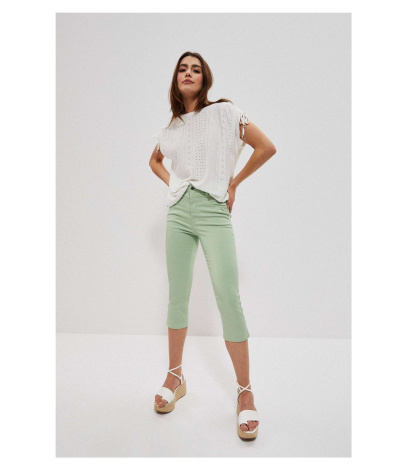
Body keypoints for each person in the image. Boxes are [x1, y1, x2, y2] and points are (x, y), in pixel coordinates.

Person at [148, 52, 276, 440]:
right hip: (178, 213)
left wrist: (233, 184)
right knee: (177, 295)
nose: (188, 73)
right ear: (176, 79)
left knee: (227, 296)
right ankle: (175, 376)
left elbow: (265, 147)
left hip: (213, 209)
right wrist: (175, 184)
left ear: (205, 79)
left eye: (196, 69)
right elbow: (154, 161)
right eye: (182, 68)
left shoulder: (224, 113)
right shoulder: (171, 128)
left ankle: (245, 390)